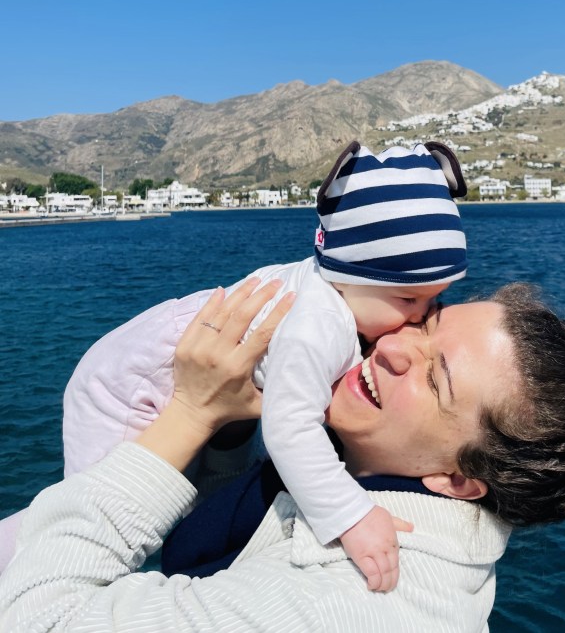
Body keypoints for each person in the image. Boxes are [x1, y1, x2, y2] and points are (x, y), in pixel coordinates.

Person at [1, 281, 565, 633]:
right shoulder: (381, 480)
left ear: (461, 479)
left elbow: (33, 616)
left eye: (435, 379)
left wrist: (191, 414)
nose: (394, 347)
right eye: (426, 325)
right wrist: (231, 427)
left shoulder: (352, 605)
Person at [0, 140, 469, 589]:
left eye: (436, 298)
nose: (421, 316)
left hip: (156, 369)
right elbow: (291, 429)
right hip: (124, 386)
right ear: (349, 273)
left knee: (155, 515)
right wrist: (349, 515)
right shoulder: (319, 326)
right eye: (409, 299)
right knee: (88, 520)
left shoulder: (338, 290)